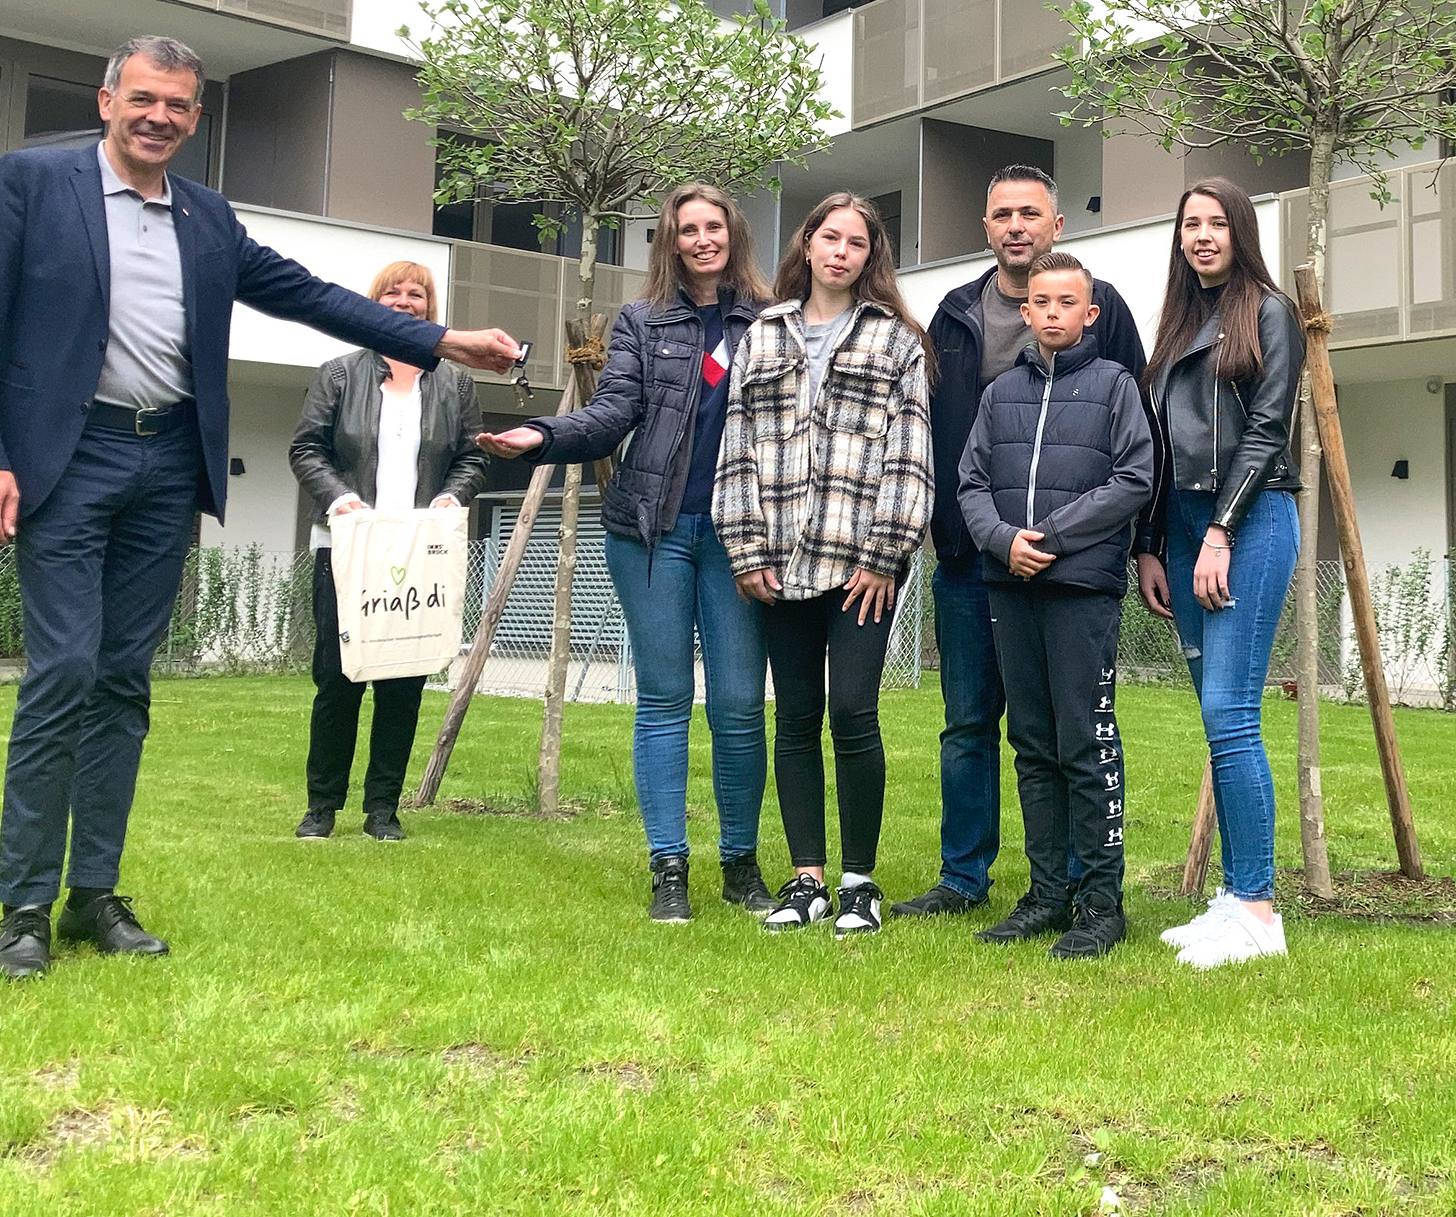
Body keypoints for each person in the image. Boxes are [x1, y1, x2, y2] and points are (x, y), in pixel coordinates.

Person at [0, 35, 520, 979]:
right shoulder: (34, 184)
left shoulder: (206, 217)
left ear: (196, 117)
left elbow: (308, 295)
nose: (158, 116)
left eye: (177, 104)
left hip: (168, 461)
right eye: (143, 98)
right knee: (65, 669)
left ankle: (94, 892)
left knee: (123, 679)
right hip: (68, 458)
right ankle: (25, 907)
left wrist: (443, 339)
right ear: (106, 100)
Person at [475, 184, 776, 924]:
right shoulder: (644, 322)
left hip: (741, 537)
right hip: (652, 532)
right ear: (671, 241)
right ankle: (668, 867)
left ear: (734, 233)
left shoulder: (771, 319)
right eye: (687, 229)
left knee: (740, 705)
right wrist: (543, 435)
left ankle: (740, 865)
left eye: (713, 226)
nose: (702, 240)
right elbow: (613, 414)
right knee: (665, 700)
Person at [897, 165, 1146, 920]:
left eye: (1030, 213)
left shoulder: (1107, 315)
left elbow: (1135, 450)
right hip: (975, 561)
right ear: (986, 227)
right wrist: (978, 534)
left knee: (1072, 732)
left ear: (1056, 225)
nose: (1016, 225)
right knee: (970, 725)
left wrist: (1136, 545)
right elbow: (948, 444)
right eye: (1002, 213)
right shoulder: (953, 314)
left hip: (1073, 572)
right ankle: (964, 876)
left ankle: (1077, 885)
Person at [713, 192, 934, 939]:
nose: (841, 252)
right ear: (807, 245)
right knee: (797, 715)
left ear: (872, 257)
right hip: (779, 561)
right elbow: (735, 448)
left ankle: (858, 882)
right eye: (830, 238)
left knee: (853, 711)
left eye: (857, 242)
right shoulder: (762, 336)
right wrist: (745, 549)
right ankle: (806, 877)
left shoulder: (897, 340)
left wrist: (886, 553)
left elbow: (910, 452)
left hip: (861, 562)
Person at [956, 251, 1155, 960]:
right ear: (1025, 310)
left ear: (1090, 313)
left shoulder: (1114, 387)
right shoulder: (1000, 394)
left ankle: (1101, 903)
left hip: (1081, 589)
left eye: (1066, 302)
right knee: (1032, 743)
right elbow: (971, 482)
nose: (1051, 313)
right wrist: (1003, 541)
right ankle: (1046, 895)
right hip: (1010, 585)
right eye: (1040, 302)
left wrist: (1053, 536)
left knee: (1086, 742)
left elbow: (1134, 478)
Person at [1133, 178, 1303, 970]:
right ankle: (1234, 897)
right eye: (1190, 224)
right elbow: (1158, 449)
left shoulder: (1270, 311)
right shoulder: (1177, 324)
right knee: (1216, 715)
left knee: (1231, 711)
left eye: (1216, 223)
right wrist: (1150, 544)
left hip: (1249, 520)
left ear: (1240, 231)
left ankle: (1260, 911)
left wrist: (1220, 532)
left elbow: (1267, 430)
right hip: (1182, 530)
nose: (1202, 235)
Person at [288, 260, 490, 845]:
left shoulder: (455, 383)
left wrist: (453, 495)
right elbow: (307, 449)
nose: (405, 302)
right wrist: (339, 497)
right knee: (338, 678)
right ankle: (322, 807)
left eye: (416, 294)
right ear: (373, 303)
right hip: (347, 547)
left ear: (430, 306)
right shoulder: (338, 375)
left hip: (420, 551)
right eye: (392, 294)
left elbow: (473, 456)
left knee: (402, 684)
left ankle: (383, 810)